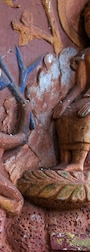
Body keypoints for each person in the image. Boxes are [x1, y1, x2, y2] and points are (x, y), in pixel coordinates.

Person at [52, 1, 90, 171]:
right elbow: (80, 85)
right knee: (64, 115)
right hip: (86, 95)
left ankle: (78, 162)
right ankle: (65, 159)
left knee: (85, 117)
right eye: (87, 20)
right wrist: (64, 103)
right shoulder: (86, 55)